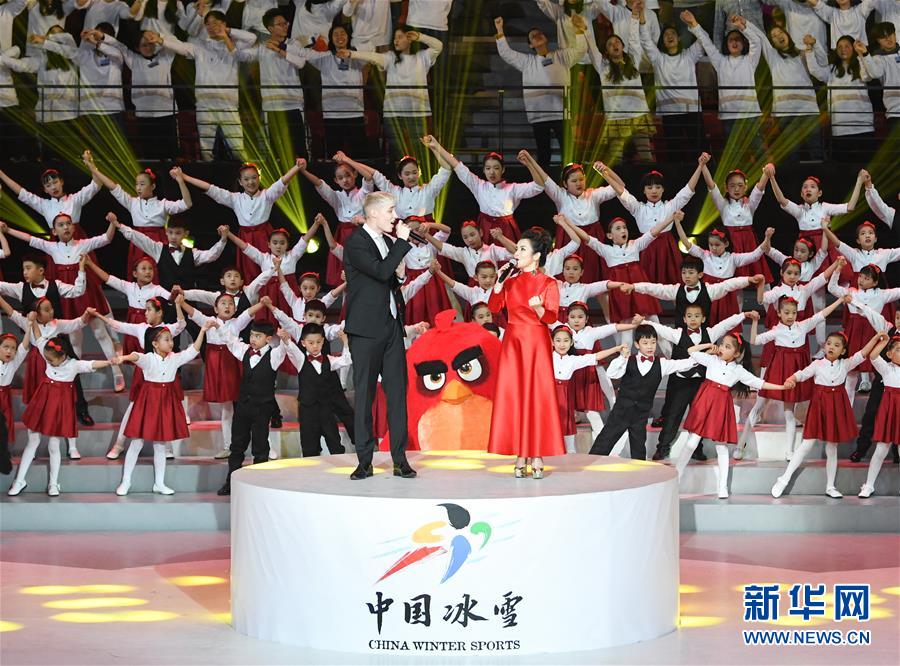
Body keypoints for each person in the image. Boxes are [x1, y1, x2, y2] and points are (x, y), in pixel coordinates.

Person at [342, 191, 417, 480]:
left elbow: (391, 278)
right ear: (373, 213)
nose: (395, 216)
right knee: (365, 395)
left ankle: (400, 458)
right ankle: (364, 461)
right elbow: (380, 271)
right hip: (365, 329)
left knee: (397, 394)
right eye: (390, 210)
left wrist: (400, 274)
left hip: (391, 326)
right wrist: (401, 245)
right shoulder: (356, 242)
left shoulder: (387, 241)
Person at [673, 334, 789, 499]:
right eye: (722, 344)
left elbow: (758, 383)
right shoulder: (712, 360)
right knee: (692, 442)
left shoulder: (738, 370)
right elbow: (691, 351)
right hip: (705, 401)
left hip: (721, 405)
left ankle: (722, 487)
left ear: (736, 353)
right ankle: (675, 478)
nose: (721, 348)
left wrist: (782, 387)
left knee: (721, 447)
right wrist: (708, 346)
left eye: (727, 347)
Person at [487, 228, 562, 478]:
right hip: (513, 341)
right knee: (515, 397)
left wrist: (539, 308)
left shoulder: (548, 283)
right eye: (517, 249)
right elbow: (494, 308)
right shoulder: (510, 282)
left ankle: (536, 453)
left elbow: (551, 317)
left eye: (522, 249)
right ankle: (520, 453)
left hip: (536, 341)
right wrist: (498, 284)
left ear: (536, 256)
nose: (516, 253)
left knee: (536, 397)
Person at [742, 292, 849, 461]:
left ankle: (790, 451)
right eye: (786, 312)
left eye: (793, 312)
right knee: (758, 406)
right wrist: (755, 321)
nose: (790, 316)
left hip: (793, 373)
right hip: (777, 371)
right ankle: (740, 445)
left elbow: (822, 314)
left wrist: (840, 300)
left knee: (789, 413)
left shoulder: (803, 326)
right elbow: (754, 340)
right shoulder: (777, 330)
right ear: (779, 313)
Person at [773, 331, 881, 498]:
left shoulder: (845, 364)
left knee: (832, 447)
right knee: (806, 444)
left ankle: (830, 486)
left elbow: (863, 353)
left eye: (837, 345)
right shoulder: (817, 364)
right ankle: (784, 479)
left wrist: (874, 338)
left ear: (843, 351)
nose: (831, 347)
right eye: (829, 343)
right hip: (819, 406)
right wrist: (792, 378)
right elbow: (802, 373)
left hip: (836, 406)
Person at [112, 321, 215, 495]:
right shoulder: (149, 358)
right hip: (148, 401)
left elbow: (193, 350)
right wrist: (123, 358)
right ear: (155, 344)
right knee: (137, 442)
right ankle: (126, 481)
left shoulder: (174, 358)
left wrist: (203, 330)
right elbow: (136, 356)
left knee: (160, 444)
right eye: (166, 340)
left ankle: (159, 483)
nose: (171, 343)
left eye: (171, 339)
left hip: (166, 401)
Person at [7, 331, 114, 497]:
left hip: (58, 408)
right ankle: (19, 480)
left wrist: (110, 361)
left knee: (54, 444)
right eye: (47, 359)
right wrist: (32, 322)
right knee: (33, 441)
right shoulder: (48, 352)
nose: (48, 362)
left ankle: (53, 483)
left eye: (51, 360)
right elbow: (39, 338)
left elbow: (92, 364)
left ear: (63, 356)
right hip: (42, 403)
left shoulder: (73, 365)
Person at [647, 308, 757, 461]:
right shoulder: (678, 334)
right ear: (684, 319)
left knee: (699, 417)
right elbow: (661, 329)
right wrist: (643, 322)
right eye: (689, 316)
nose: (693, 319)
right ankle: (662, 448)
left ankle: (697, 450)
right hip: (681, 382)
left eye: (697, 316)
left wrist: (743, 315)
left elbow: (726, 324)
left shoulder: (710, 333)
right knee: (673, 415)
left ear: (703, 319)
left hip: (702, 383)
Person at [144, 13, 257, 160]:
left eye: (215, 22)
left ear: (224, 23)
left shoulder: (234, 46)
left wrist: (227, 32)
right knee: (206, 150)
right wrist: (160, 40)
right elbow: (181, 47)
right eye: (208, 24)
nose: (211, 26)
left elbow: (252, 38)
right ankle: (209, 173)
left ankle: (247, 173)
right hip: (204, 104)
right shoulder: (200, 46)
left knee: (237, 148)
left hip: (228, 104)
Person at [87, 297, 185, 460]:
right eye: (145, 309)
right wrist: (98, 315)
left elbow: (182, 324)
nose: (145, 313)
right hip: (146, 373)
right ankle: (119, 444)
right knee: (134, 408)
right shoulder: (141, 328)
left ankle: (167, 447)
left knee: (166, 408)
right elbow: (117, 325)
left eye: (149, 310)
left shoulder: (168, 329)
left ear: (159, 312)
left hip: (164, 373)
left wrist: (178, 305)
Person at [589, 323, 701, 461]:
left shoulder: (662, 364)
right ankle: (587, 467)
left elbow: (686, 363)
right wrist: (622, 357)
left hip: (641, 415)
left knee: (639, 450)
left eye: (653, 342)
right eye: (645, 343)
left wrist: (702, 352)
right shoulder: (628, 360)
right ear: (637, 344)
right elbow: (612, 373)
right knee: (603, 443)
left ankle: (640, 473)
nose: (650, 346)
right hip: (621, 412)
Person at [180, 159, 304, 282]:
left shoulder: (266, 195)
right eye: (246, 179)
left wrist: (297, 167)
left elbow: (282, 182)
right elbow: (211, 189)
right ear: (240, 182)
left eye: (254, 178)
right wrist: (184, 177)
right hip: (245, 239)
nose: (251, 182)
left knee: (269, 270)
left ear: (259, 178)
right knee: (249, 272)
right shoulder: (235, 199)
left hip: (264, 236)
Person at [493, 14, 586, 169]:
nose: (537, 36)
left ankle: (572, 179)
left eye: (539, 33)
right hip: (539, 115)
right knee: (544, 154)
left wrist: (579, 30)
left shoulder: (561, 56)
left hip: (561, 113)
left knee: (568, 153)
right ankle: (543, 182)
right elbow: (506, 54)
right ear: (530, 45)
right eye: (533, 36)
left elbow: (581, 50)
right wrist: (500, 30)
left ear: (546, 39)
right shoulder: (527, 62)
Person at [341, 25, 443, 162]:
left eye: (400, 37)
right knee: (398, 155)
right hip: (393, 114)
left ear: (410, 39)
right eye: (395, 38)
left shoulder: (423, 57)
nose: (396, 40)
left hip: (419, 114)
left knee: (421, 153)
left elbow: (438, 46)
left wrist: (420, 37)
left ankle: (421, 176)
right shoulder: (390, 57)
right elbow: (373, 57)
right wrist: (351, 54)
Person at [517, 153, 619, 283]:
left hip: (592, 237)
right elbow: (545, 178)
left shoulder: (593, 195)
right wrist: (530, 161)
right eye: (574, 181)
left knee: (593, 276)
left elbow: (619, 187)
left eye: (581, 179)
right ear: (565, 183)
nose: (579, 183)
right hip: (569, 238)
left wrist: (605, 170)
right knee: (567, 278)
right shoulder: (560, 196)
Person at [601, 156, 704, 284]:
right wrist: (604, 172)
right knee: (645, 284)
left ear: (663, 189)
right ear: (644, 191)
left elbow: (688, 189)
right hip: (646, 249)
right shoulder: (638, 208)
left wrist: (700, 166)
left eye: (658, 187)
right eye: (649, 188)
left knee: (672, 284)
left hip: (667, 248)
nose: (654, 191)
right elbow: (621, 192)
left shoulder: (671, 206)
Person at [84, 152, 192, 273]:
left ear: (153, 186)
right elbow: (113, 187)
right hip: (138, 241)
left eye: (142, 184)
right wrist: (93, 169)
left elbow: (187, 204)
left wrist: (180, 181)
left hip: (158, 242)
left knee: (160, 274)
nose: (138, 188)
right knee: (139, 274)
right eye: (136, 184)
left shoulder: (163, 204)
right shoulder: (132, 202)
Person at [424, 136, 543, 241]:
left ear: (503, 170)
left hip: (506, 230)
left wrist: (529, 164)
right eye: (488, 168)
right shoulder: (479, 185)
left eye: (496, 168)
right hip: (485, 227)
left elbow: (538, 186)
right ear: (484, 170)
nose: (492, 172)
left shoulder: (513, 188)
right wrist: (436, 146)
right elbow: (457, 165)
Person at [217, 320, 287, 496]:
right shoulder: (245, 351)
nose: (253, 339)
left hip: (262, 409)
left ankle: (258, 486)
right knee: (237, 446)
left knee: (260, 447)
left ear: (268, 339)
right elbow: (230, 341)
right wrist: (218, 327)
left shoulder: (274, 355)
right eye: (251, 335)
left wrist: (286, 339)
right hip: (242, 407)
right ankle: (231, 483)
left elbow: (285, 348)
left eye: (258, 336)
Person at [737, 19, 823, 162]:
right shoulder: (773, 57)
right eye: (774, 36)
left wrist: (814, 45)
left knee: (816, 152)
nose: (778, 36)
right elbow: (761, 36)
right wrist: (744, 24)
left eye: (780, 33)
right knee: (790, 154)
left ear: (787, 34)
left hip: (808, 110)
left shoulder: (803, 53)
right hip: (785, 112)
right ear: (773, 42)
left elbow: (821, 65)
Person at [686, 12, 763, 161]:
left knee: (758, 151)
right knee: (733, 155)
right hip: (729, 116)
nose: (734, 42)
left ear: (743, 43)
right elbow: (707, 44)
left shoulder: (749, 60)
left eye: (738, 39)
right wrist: (694, 24)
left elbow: (757, 42)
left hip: (750, 114)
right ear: (726, 44)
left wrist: (743, 27)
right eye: (731, 40)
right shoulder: (720, 62)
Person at [240, 8, 308, 159]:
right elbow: (242, 55)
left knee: (300, 148)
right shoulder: (262, 47)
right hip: (272, 105)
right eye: (280, 24)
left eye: (285, 23)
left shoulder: (293, 43)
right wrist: (227, 37)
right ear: (270, 28)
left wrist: (280, 50)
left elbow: (301, 63)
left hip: (293, 104)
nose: (285, 26)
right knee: (276, 150)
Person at [675, 221, 772, 325]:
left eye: (717, 245)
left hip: (727, 296)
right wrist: (677, 222)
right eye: (711, 245)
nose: (713, 248)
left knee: (729, 325)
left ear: (726, 244)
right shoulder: (705, 255)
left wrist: (767, 238)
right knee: (707, 324)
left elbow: (754, 255)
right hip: (709, 294)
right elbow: (686, 243)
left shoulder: (733, 258)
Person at [300, 156, 374, 286]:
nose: (345, 180)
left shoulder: (363, 193)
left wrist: (347, 160)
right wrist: (303, 171)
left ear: (355, 174)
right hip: (343, 237)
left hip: (362, 235)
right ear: (336, 180)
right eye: (340, 178)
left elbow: (368, 177)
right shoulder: (337, 197)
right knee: (344, 276)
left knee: (364, 273)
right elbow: (319, 183)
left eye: (348, 175)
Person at [280, 324, 353, 457]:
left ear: (323, 341)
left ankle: (339, 468)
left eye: (318, 342)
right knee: (309, 448)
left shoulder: (329, 360)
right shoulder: (300, 359)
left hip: (326, 410)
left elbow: (346, 360)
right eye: (311, 343)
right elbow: (291, 349)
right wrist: (286, 340)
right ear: (303, 343)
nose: (315, 346)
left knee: (335, 445)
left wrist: (346, 342)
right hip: (308, 412)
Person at [551, 326, 626, 454]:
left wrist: (616, 349)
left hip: (565, 396)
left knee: (567, 424)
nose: (562, 344)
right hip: (549, 396)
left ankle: (570, 451)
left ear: (571, 342)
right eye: (558, 340)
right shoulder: (547, 357)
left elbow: (596, 356)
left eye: (566, 340)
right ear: (552, 342)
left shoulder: (573, 360)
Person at [802, 34, 874, 163]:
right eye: (839, 47)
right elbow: (814, 70)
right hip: (840, 128)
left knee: (865, 167)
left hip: (863, 126)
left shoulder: (861, 65)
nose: (843, 49)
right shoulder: (832, 70)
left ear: (853, 48)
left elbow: (868, 76)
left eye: (847, 46)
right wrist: (809, 49)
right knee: (843, 169)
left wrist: (861, 54)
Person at [701, 161, 773, 283]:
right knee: (734, 279)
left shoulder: (749, 204)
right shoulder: (723, 204)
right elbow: (712, 186)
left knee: (758, 272)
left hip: (749, 242)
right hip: (732, 243)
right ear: (726, 188)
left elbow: (759, 189)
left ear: (745, 187)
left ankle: (765, 295)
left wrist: (766, 172)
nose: (736, 189)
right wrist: (703, 166)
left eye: (740, 185)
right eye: (732, 185)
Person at [858, 331, 900, 498]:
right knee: (882, 448)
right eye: (898, 350)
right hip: (889, 410)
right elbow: (873, 356)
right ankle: (869, 485)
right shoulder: (887, 369)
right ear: (889, 354)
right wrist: (883, 341)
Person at [0, 331, 28, 475]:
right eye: (5, 347)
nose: (9, 351)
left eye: (12, 348)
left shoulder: (13, 363)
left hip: (5, 398)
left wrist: (29, 327)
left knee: (5, 427)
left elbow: (24, 347)